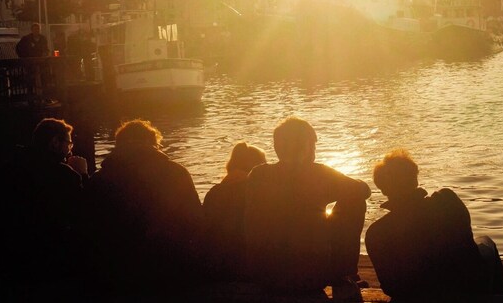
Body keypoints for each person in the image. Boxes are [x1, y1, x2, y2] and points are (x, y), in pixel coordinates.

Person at [243, 117, 369, 293]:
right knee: (354, 201)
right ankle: (344, 274)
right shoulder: (318, 174)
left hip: (263, 274)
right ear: (308, 147)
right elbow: (363, 190)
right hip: (311, 276)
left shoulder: (258, 174)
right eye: (314, 146)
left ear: (277, 147)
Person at [365, 150, 503, 300]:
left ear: (383, 188)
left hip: (413, 299)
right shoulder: (445, 202)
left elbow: (389, 287)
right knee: (485, 241)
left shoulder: (375, 233)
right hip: (461, 288)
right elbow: (466, 246)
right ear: (415, 180)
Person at [84, 119, 203, 289]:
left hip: (114, 272)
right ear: (153, 143)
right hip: (168, 268)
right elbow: (195, 219)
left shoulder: (99, 179)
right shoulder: (177, 173)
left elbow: (89, 225)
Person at [0, 118, 88, 283]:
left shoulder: (11, 167)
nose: (70, 151)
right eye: (69, 144)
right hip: (50, 254)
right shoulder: (64, 175)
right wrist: (83, 175)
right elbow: (83, 212)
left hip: (11, 251)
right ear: (55, 143)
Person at [203, 142, 267, 278]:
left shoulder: (214, 192)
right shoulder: (259, 193)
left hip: (218, 266)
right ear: (259, 168)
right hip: (251, 267)